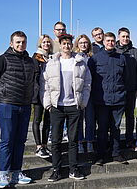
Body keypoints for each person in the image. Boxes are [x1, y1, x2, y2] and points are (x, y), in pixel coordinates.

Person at [0, 31, 35, 188]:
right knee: (7, 140)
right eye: (18, 42)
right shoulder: (1, 60)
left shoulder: (30, 61)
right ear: (11, 43)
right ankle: (3, 174)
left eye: (23, 42)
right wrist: (1, 96)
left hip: (25, 105)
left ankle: (16, 172)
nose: (21, 45)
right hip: (7, 104)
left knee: (20, 140)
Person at [40, 33, 92, 182]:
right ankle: (56, 170)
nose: (67, 46)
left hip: (74, 106)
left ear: (72, 45)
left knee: (73, 140)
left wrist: (83, 102)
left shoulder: (80, 62)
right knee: (55, 141)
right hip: (57, 107)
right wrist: (48, 104)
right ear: (60, 45)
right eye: (64, 44)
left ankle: (73, 169)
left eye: (69, 43)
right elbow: (45, 85)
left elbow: (87, 83)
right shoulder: (52, 62)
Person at [89, 32, 129, 164]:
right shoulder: (95, 59)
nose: (110, 43)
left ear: (115, 42)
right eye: (108, 41)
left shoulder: (121, 58)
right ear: (104, 42)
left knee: (116, 128)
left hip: (118, 99)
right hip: (102, 100)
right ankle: (100, 155)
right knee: (102, 128)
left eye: (112, 41)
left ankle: (116, 153)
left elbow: (126, 78)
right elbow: (91, 79)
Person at [115, 27, 137, 149]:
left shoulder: (135, 52)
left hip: (132, 90)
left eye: (127, 36)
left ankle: (129, 140)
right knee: (116, 118)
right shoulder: (114, 51)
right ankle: (115, 142)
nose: (125, 38)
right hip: (117, 91)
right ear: (119, 37)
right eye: (123, 36)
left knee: (130, 116)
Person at [32, 34, 54, 159]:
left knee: (48, 120)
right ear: (40, 44)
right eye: (44, 42)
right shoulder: (36, 57)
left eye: (48, 42)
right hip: (38, 93)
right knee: (37, 119)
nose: (46, 44)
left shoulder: (51, 57)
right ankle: (38, 146)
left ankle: (45, 145)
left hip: (50, 93)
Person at [73, 34, 95, 153]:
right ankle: (80, 142)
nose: (83, 45)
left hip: (90, 91)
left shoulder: (92, 58)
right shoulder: (74, 58)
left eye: (85, 43)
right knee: (79, 119)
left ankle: (90, 141)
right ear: (77, 44)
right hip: (78, 92)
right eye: (81, 43)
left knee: (90, 118)